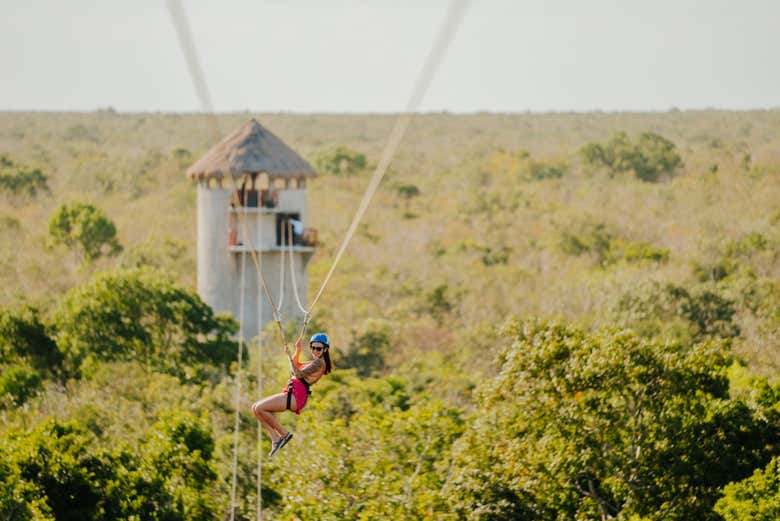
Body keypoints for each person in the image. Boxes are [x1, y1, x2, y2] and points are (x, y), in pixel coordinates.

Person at [251, 333, 332, 457]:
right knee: (255, 408)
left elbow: (298, 374)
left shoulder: (319, 363)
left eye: (319, 348)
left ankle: (283, 434)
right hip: (292, 393)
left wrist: (289, 356)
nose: (315, 351)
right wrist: (297, 351)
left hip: (296, 395)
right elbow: (295, 366)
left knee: (259, 408)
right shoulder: (313, 362)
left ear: (325, 349)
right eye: (313, 348)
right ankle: (275, 439)